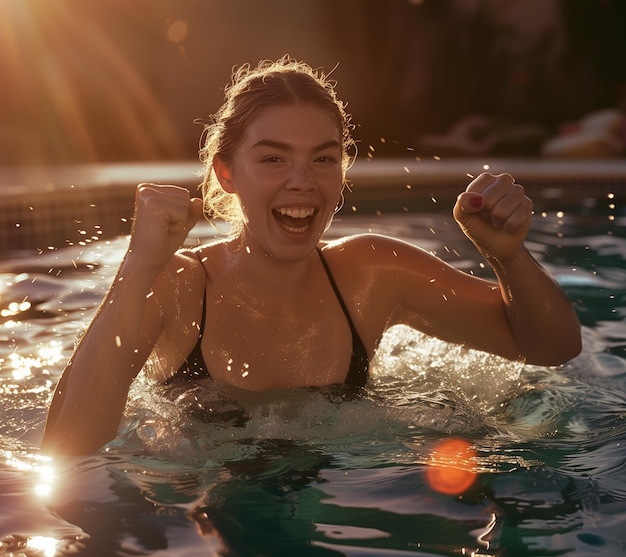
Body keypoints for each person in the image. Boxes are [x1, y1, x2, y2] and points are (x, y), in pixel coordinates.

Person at [42, 57, 582, 456]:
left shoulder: (371, 273)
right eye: (273, 158)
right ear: (228, 173)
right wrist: (139, 264)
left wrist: (508, 258)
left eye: (323, 159)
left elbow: (551, 348)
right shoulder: (179, 285)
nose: (303, 183)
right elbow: (67, 447)